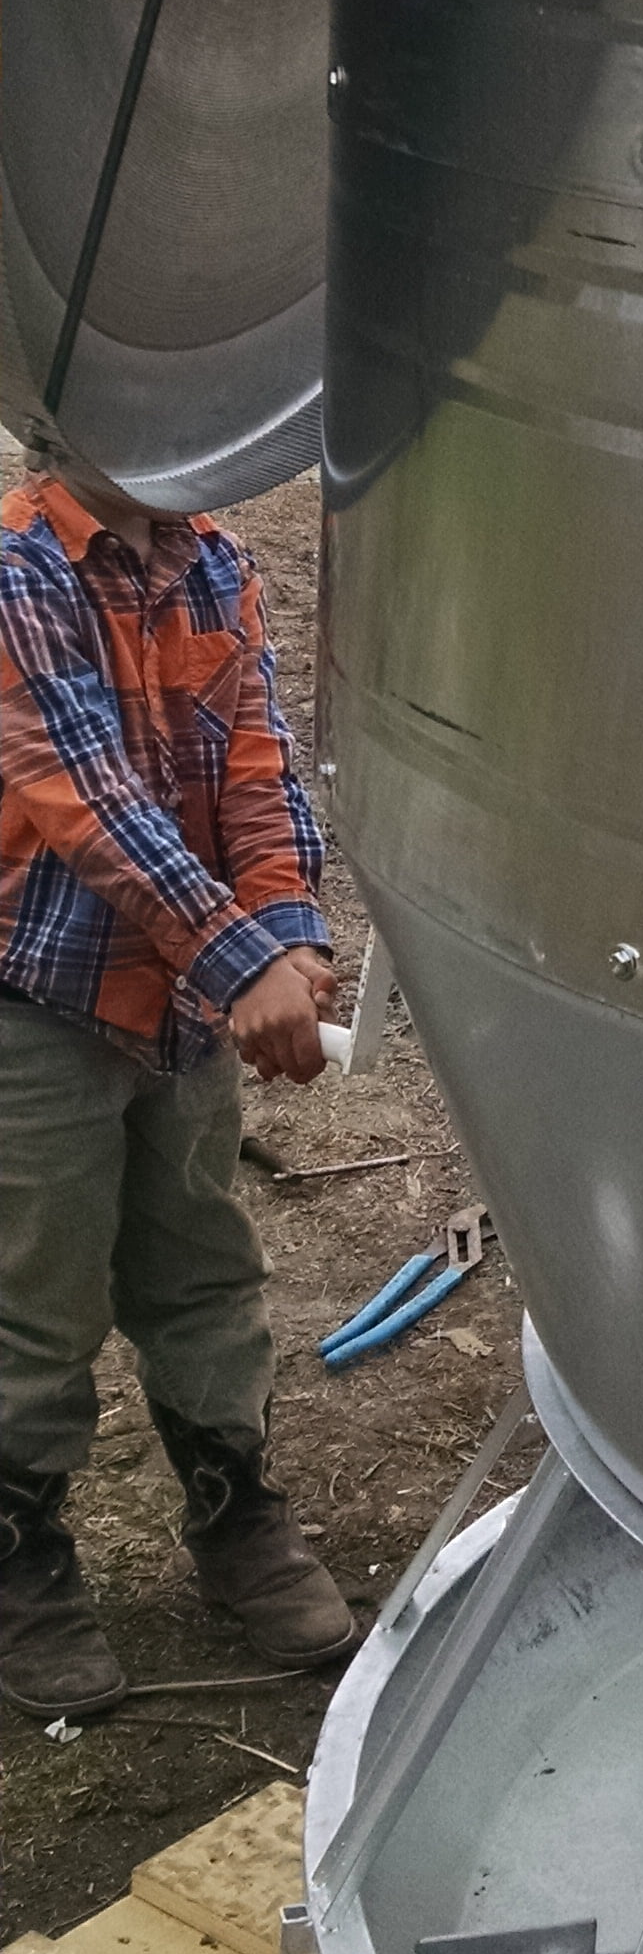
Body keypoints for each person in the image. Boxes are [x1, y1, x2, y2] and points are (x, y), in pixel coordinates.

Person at [0, 418, 357, 1716]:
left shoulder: (217, 566)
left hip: (179, 1016)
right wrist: (238, 961)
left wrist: (292, 939)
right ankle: (22, 1562)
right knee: (37, 1301)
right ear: (58, 411)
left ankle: (235, 1518)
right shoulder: (18, 569)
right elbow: (85, 798)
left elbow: (259, 776)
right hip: (37, 1007)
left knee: (201, 1269)